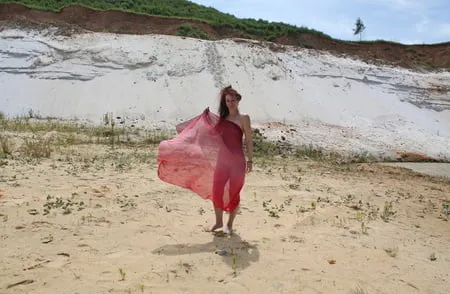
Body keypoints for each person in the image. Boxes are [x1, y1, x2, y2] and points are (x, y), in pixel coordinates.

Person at [157, 85, 253, 235]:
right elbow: (208, 135)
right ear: (225, 102)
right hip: (222, 161)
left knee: (234, 192)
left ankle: (229, 224)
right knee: (217, 190)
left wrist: (250, 160)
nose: (231, 103)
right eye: (228, 100)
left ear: (238, 100)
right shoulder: (221, 120)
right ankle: (218, 221)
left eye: (233, 100)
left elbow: (248, 140)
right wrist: (203, 120)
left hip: (237, 162)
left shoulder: (244, 118)